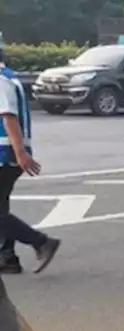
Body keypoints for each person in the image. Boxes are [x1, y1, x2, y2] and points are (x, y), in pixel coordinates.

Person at [0, 43, 61, 275]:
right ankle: (7, 258)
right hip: (8, 153)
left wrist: (19, 153)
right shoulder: (8, 77)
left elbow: (8, 117)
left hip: (4, 155)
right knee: (1, 209)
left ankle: (41, 242)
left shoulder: (1, 80)